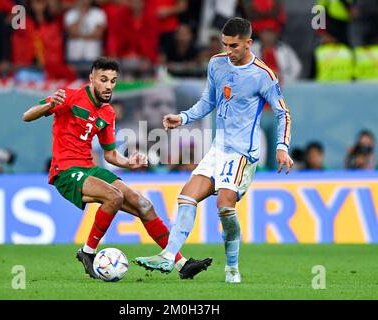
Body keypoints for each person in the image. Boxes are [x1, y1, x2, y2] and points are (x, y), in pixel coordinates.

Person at [22, 57, 212, 280]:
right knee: (114, 196)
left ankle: (180, 263)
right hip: (65, 171)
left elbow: (111, 155)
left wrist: (129, 161)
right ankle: (87, 251)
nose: (109, 85)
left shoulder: (107, 113)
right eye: (103, 79)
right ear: (92, 78)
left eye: (113, 80)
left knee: (144, 205)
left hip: (90, 169)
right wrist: (49, 105)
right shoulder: (69, 96)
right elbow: (27, 116)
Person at [135, 17, 293, 283]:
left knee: (224, 208)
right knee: (186, 197)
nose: (228, 51)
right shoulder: (216, 64)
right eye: (225, 45)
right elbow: (207, 101)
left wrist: (282, 147)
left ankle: (232, 267)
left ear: (248, 43)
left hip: (243, 153)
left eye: (234, 46)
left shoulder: (263, 75)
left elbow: (283, 113)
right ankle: (168, 255)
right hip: (217, 149)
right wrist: (183, 117)